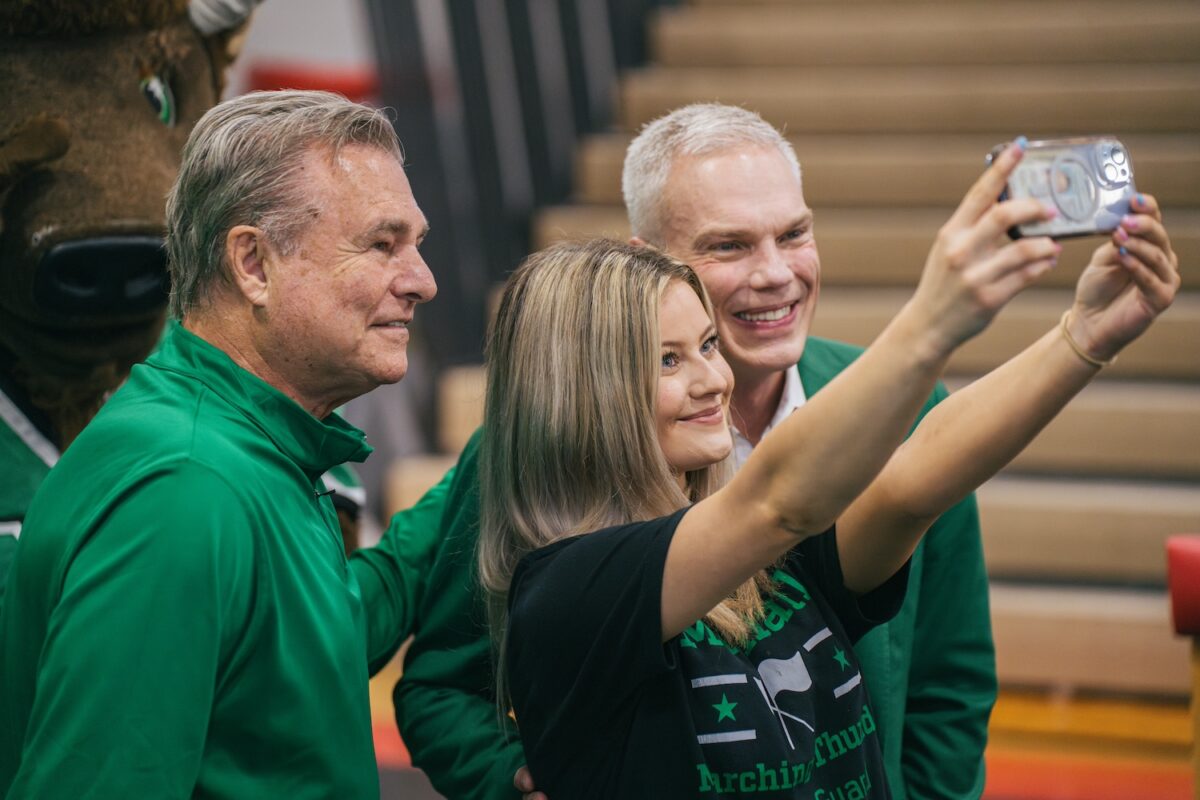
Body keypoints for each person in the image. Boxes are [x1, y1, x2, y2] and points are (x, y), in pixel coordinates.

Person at [477, 133, 1177, 796]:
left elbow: (911, 482)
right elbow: (776, 502)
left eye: (707, 347)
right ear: (583, 394)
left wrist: (1083, 336)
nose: (712, 381)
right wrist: (934, 317)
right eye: (667, 359)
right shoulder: (566, 593)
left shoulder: (759, 571)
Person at [392, 104, 999, 799]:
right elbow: (443, 684)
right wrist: (510, 776)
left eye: (793, 233)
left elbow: (950, 686)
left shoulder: (910, 410)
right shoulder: (531, 452)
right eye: (729, 246)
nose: (775, 273)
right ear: (643, 260)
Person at [0, 90, 439, 798]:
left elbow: (305, 654)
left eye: (418, 245)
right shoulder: (185, 490)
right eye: (383, 244)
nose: (423, 281)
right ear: (253, 265)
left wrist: (499, 460)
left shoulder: (246, 449)